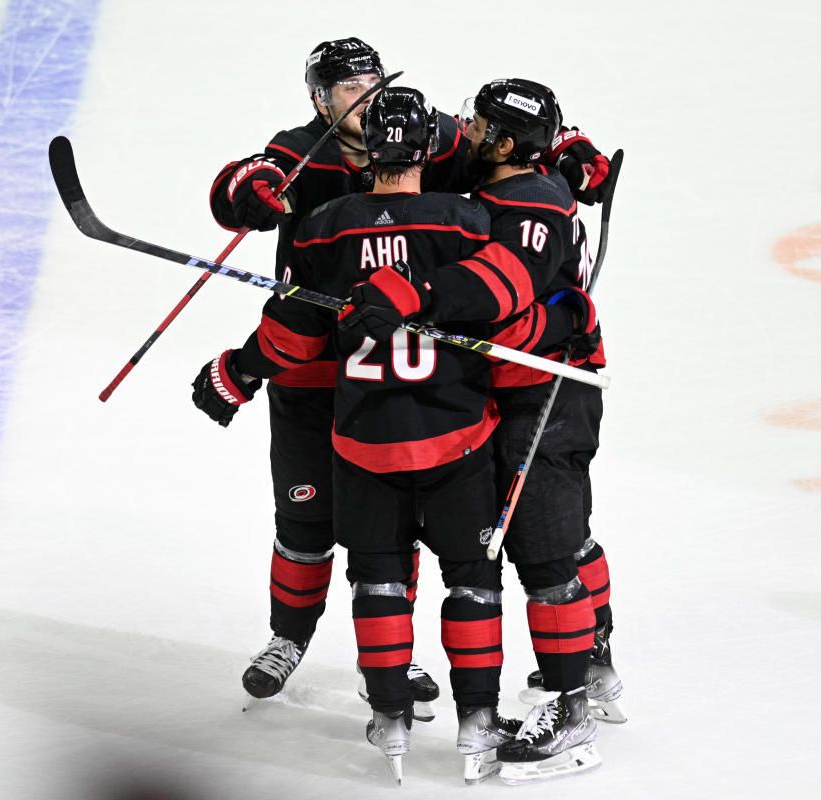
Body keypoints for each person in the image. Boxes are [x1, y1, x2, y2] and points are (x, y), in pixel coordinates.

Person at [205, 37, 616, 715]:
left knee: (427, 525)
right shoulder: (301, 150)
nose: (363, 99)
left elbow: (508, 138)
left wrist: (564, 145)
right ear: (319, 99)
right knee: (306, 519)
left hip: (418, 378)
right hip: (315, 367)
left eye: (371, 82)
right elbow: (238, 187)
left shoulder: (427, 133)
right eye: (346, 89)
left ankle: (424, 661)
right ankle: (288, 638)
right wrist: (245, 189)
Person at [342, 78, 619, 783]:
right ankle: (595, 653)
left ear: (502, 142)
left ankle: (572, 704)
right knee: (554, 533)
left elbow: (500, 287)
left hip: (548, 394)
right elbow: (411, 133)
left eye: (476, 124)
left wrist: (416, 295)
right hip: (511, 391)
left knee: (544, 546)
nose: (459, 129)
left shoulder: (531, 203)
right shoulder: (506, 171)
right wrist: (572, 145)